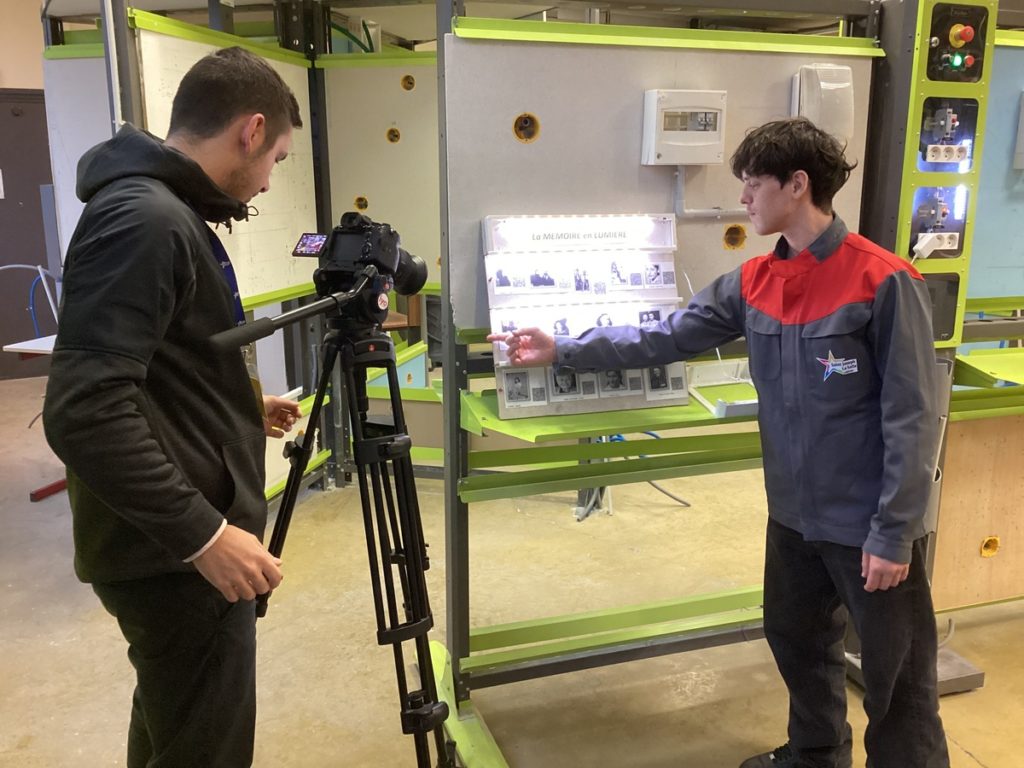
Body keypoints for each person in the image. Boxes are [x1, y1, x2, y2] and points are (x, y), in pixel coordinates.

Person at [488, 117, 947, 768]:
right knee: (796, 639)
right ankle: (817, 756)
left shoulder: (881, 281)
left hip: (867, 523)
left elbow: (912, 413)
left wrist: (893, 533)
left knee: (898, 683)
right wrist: (561, 348)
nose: (743, 199)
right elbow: (665, 337)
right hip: (793, 517)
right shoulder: (753, 282)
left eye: (752, 184)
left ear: (796, 185)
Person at [43, 47, 305, 768]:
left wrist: (242, 404)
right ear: (251, 131)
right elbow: (85, 408)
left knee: (174, 726)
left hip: (168, 548)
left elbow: (154, 363)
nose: (269, 177)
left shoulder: (165, 212)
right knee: (206, 749)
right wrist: (204, 537)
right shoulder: (146, 220)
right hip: (174, 558)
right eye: (277, 157)